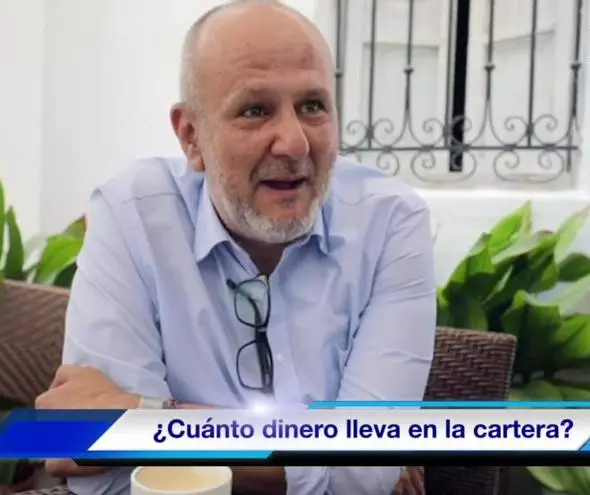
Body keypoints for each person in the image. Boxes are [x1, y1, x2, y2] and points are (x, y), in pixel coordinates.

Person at [35, 0, 437, 493]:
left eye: (313, 106)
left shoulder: (390, 222)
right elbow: (104, 479)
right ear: (191, 136)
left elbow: (363, 472)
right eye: (255, 110)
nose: (294, 143)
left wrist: (144, 418)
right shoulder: (133, 214)